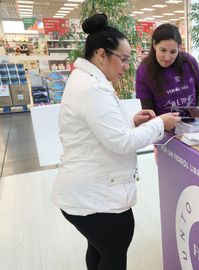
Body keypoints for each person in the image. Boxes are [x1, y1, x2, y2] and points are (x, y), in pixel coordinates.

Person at [51, 14, 180, 270]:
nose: (125, 66)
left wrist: (133, 121)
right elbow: (121, 142)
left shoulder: (87, 80)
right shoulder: (93, 89)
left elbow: (101, 130)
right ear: (101, 55)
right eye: (122, 59)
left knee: (99, 249)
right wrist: (159, 123)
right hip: (96, 196)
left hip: (89, 190)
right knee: (113, 252)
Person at [136, 23, 199, 116]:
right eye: (163, 50)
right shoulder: (144, 70)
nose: (167, 57)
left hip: (195, 125)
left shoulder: (189, 62)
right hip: (165, 127)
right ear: (154, 45)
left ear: (179, 48)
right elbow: (149, 111)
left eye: (173, 52)